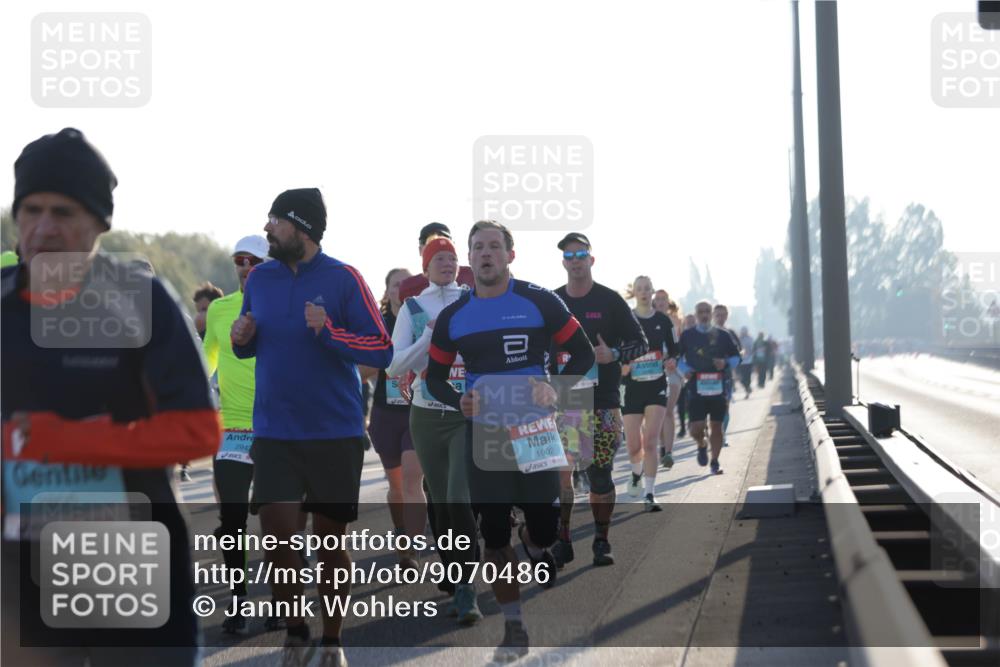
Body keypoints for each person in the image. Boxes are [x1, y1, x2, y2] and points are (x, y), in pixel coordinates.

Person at [1, 128, 220, 666]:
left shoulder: (138, 299)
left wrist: (63, 440)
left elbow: (197, 430)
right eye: (30, 210)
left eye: (64, 212)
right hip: (19, 568)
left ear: (99, 223)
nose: (44, 228)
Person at [231, 187, 393, 667]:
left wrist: (330, 332)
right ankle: (297, 631)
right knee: (278, 539)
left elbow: (381, 350)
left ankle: (332, 639)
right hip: (275, 432)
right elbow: (247, 337)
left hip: (333, 432)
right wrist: (242, 338)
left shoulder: (344, 279)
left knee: (329, 542)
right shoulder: (259, 278)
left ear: (299, 227)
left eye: (274, 221)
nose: (267, 230)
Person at [425, 220, 595, 662]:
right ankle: (514, 628)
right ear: (470, 258)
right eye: (477, 247)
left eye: (494, 246)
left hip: (535, 430)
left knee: (540, 529)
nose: (485, 254)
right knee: (493, 534)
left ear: (510, 255)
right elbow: (437, 378)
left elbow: (583, 353)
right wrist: (459, 399)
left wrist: (554, 389)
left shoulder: (540, 302)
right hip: (485, 434)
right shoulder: (454, 317)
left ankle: (536, 539)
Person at [386, 237, 484, 624]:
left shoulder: (472, 299)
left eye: (452, 258)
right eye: (439, 258)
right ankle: (454, 567)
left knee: (460, 498)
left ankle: (466, 587)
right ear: (425, 267)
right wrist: (425, 342)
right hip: (426, 416)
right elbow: (393, 366)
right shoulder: (413, 308)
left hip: (466, 413)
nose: (447, 263)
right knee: (441, 502)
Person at [551, 233, 647, 568]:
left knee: (600, 474)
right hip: (565, 403)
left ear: (591, 259)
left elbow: (641, 342)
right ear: (563, 262)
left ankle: (601, 541)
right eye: (569, 255)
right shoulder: (552, 301)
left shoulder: (610, 301)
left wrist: (614, 354)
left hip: (603, 401)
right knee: (561, 474)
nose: (575, 260)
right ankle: (562, 538)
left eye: (581, 254)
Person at [202, 234, 271, 635]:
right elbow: (205, 358)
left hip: (276, 430)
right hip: (232, 429)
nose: (246, 267)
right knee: (232, 520)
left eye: (254, 261)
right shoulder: (219, 310)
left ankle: (284, 602)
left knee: (281, 522)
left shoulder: (284, 308)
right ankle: (239, 601)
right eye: (239, 261)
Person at [359, 268, 428, 572]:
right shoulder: (379, 325)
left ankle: (411, 548)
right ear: (387, 291)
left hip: (418, 412)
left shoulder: (423, 323)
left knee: (413, 477)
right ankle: (402, 537)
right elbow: (362, 369)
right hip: (386, 415)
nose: (401, 288)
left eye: (406, 283)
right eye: (395, 284)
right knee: (397, 485)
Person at [621, 277, 678, 511]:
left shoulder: (663, 321)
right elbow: (617, 350)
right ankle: (636, 473)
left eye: (647, 289)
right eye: (640, 289)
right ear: (633, 292)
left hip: (656, 385)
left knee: (651, 442)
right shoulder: (625, 320)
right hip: (632, 387)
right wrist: (622, 365)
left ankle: (650, 494)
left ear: (653, 292)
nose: (644, 292)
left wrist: (672, 360)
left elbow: (674, 349)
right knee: (634, 446)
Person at [678, 301, 741, 475]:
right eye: (701, 312)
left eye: (707, 311)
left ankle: (715, 462)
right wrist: (684, 370)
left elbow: (737, 358)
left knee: (717, 426)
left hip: (718, 387)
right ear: (696, 314)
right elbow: (677, 358)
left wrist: (725, 363)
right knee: (695, 428)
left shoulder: (723, 335)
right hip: (695, 387)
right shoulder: (687, 335)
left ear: (711, 314)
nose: (704, 314)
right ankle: (701, 444)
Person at [178, 282, 225, 483]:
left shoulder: (229, 329)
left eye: (205, 310)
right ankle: (184, 463)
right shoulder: (194, 333)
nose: (200, 315)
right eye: (198, 310)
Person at [398, 222, 474, 300]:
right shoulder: (409, 287)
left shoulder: (471, 275)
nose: (438, 246)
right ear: (421, 250)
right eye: (431, 242)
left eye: (445, 241)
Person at [653, 290, 683, 469]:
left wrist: (674, 359)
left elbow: (679, 348)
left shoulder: (675, 322)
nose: (661, 302)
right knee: (660, 413)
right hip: (653, 370)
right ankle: (663, 447)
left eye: (664, 299)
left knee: (669, 410)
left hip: (672, 371)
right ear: (653, 302)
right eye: (658, 299)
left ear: (668, 301)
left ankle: (669, 452)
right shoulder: (647, 319)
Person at [712, 304, 742, 448]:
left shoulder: (730, 333)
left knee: (725, 407)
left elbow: (739, 353)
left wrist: (728, 362)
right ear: (713, 316)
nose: (720, 318)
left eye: (723, 315)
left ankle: (722, 435)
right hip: (706, 377)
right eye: (717, 315)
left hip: (725, 376)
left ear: (727, 316)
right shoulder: (705, 333)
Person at [738, 326, 755, 399]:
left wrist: (748, 352)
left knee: (747, 377)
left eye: (744, 331)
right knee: (741, 378)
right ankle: (747, 388)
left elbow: (752, 349)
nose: (743, 333)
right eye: (742, 331)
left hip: (749, 360)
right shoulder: (738, 339)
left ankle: (747, 389)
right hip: (741, 361)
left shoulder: (750, 339)